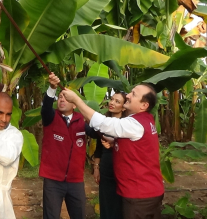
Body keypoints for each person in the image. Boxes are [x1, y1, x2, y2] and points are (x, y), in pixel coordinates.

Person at [61, 84, 164, 219]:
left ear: (144, 105)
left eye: (133, 94)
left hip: (140, 196)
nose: (127, 95)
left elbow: (104, 123)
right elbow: (136, 144)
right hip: (146, 191)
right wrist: (115, 142)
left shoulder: (135, 124)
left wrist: (76, 100)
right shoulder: (145, 120)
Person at [40, 73, 91, 219]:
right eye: (60, 97)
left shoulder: (81, 120)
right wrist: (52, 88)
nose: (62, 99)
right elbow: (46, 108)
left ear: (75, 104)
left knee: (79, 214)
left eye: (66, 97)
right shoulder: (51, 117)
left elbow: (96, 131)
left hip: (75, 181)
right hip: (53, 180)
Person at [89, 92, 126, 219]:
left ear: (124, 107)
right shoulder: (103, 122)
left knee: (121, 205)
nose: (112, 103)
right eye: (112, 99)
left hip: (122, 170)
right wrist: (96, 167)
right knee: (106, 202)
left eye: (117, 101)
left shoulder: (127, 124)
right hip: (106, 168)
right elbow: (99, 147)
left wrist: (115, 144)